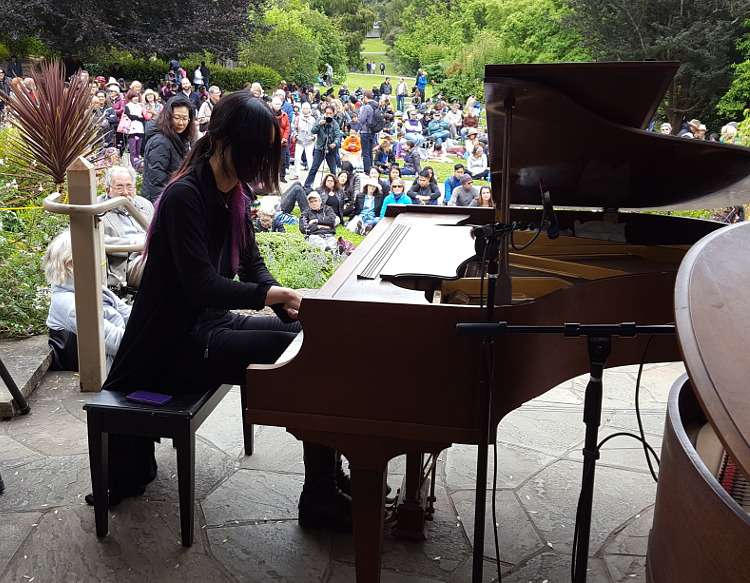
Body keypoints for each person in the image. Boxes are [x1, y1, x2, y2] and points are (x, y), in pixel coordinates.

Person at [96, 91, 350, 530]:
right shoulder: (184, 197)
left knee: (319, 344)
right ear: (223, 142)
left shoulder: (234, 193)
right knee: (314, 361)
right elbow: (202, 287)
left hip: (207, 326)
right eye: (254, 152)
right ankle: (319, 497)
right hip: (173, 343)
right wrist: (273, 296)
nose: (260, 164)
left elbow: (251, 263)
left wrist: (284, 300)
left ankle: (327, 482)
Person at [43, 230, 131, 372]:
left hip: (122, 357)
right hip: (112, 368)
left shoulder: (88, 287)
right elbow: (113, 343)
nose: (100, 261)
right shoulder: (72, 304)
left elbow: (128, 313)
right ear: (70, 264)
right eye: (93, 255)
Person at [98, 166, 155, 289]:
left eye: (129, 187)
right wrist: (134, 244)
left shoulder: (145, 204)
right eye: (119, 187)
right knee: (161, 263)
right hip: (127, 263)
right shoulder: (98, 208)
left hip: (153, 252)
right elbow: (96, 239)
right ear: (108, 190)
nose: (125, 192)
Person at [141, 95, 197, 201]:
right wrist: (164, 205)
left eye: (185, 119)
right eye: (176, 118)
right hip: (160, 201)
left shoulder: (181, 138)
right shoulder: (160, 142)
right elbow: (156, 182)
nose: (181, 123)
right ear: (167, 117)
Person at [303, 104, 341, 190]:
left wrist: (335, 143)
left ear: (333, 113)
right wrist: (318, 125)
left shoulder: (335, 124)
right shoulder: (319, 120)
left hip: (330, 150)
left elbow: (338, 136)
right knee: (314, 168)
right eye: (327, 113)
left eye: (330, 113)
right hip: (320, 149)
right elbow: (313, 131)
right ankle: (307, 186)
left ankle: (335, 188)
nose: (328, 115)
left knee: (333, 170)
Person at [292, 102, 316, 180]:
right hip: (300, 140)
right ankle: (296, 174)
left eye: (307, 108)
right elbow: (294, 128)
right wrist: (296, 136)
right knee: (297, 158)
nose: (305, 110)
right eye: (304, 108)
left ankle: (311, 175)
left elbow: (316, 129)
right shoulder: (297, 118)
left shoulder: (312, 119)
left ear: (310, 109)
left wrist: (314, 137)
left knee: (309, 158)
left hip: (309, 141)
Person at [123, 90, 146, 168]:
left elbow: (143, 118)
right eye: (134, 97)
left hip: (140, 129)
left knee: (138, 150)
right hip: (131, 130)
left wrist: (136, 117)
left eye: (137, 96)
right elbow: (129, 116)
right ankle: (134, 166)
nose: (136, 98)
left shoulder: (140, 106)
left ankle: (138, 166)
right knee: (133, 150)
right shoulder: (127, 106)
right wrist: (137, 116)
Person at [358, 90, 377, 173]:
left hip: (365, 131)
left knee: (365, 152)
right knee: (370, 152)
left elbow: (362, 120)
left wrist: (359, 116)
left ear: (365, 97)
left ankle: (367, 170)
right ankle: (372, 169)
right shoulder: (375, 105)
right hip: (372, 131)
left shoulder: (366, 107)